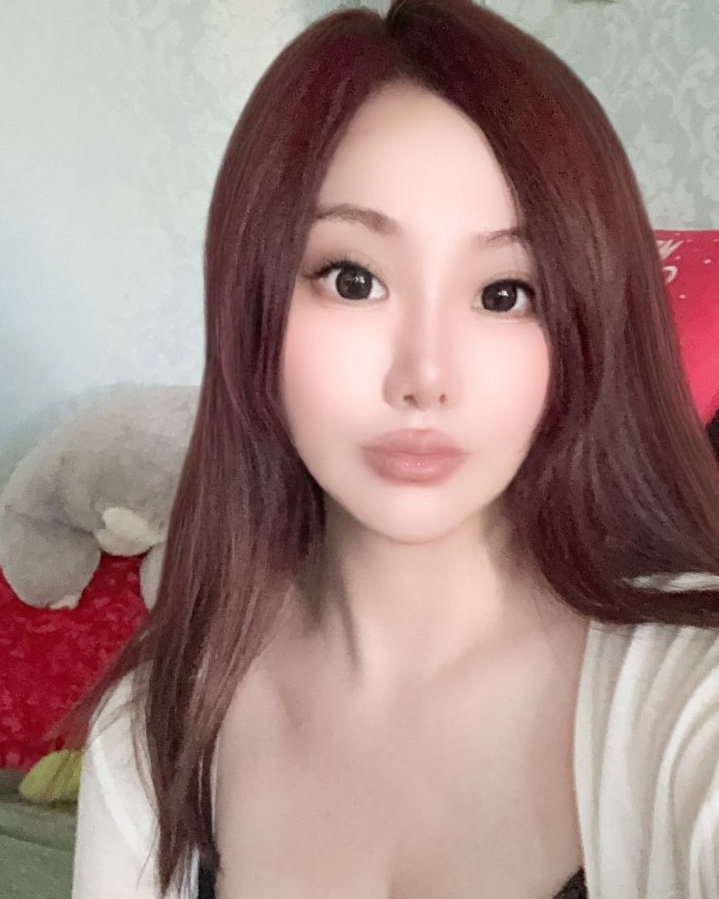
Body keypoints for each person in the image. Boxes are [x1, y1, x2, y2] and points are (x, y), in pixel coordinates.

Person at [68, 1, 719, 897]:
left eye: (503, 294)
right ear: (254, 306)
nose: (425, 377)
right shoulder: (149, 732)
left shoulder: (689, 698)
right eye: (353, 279)